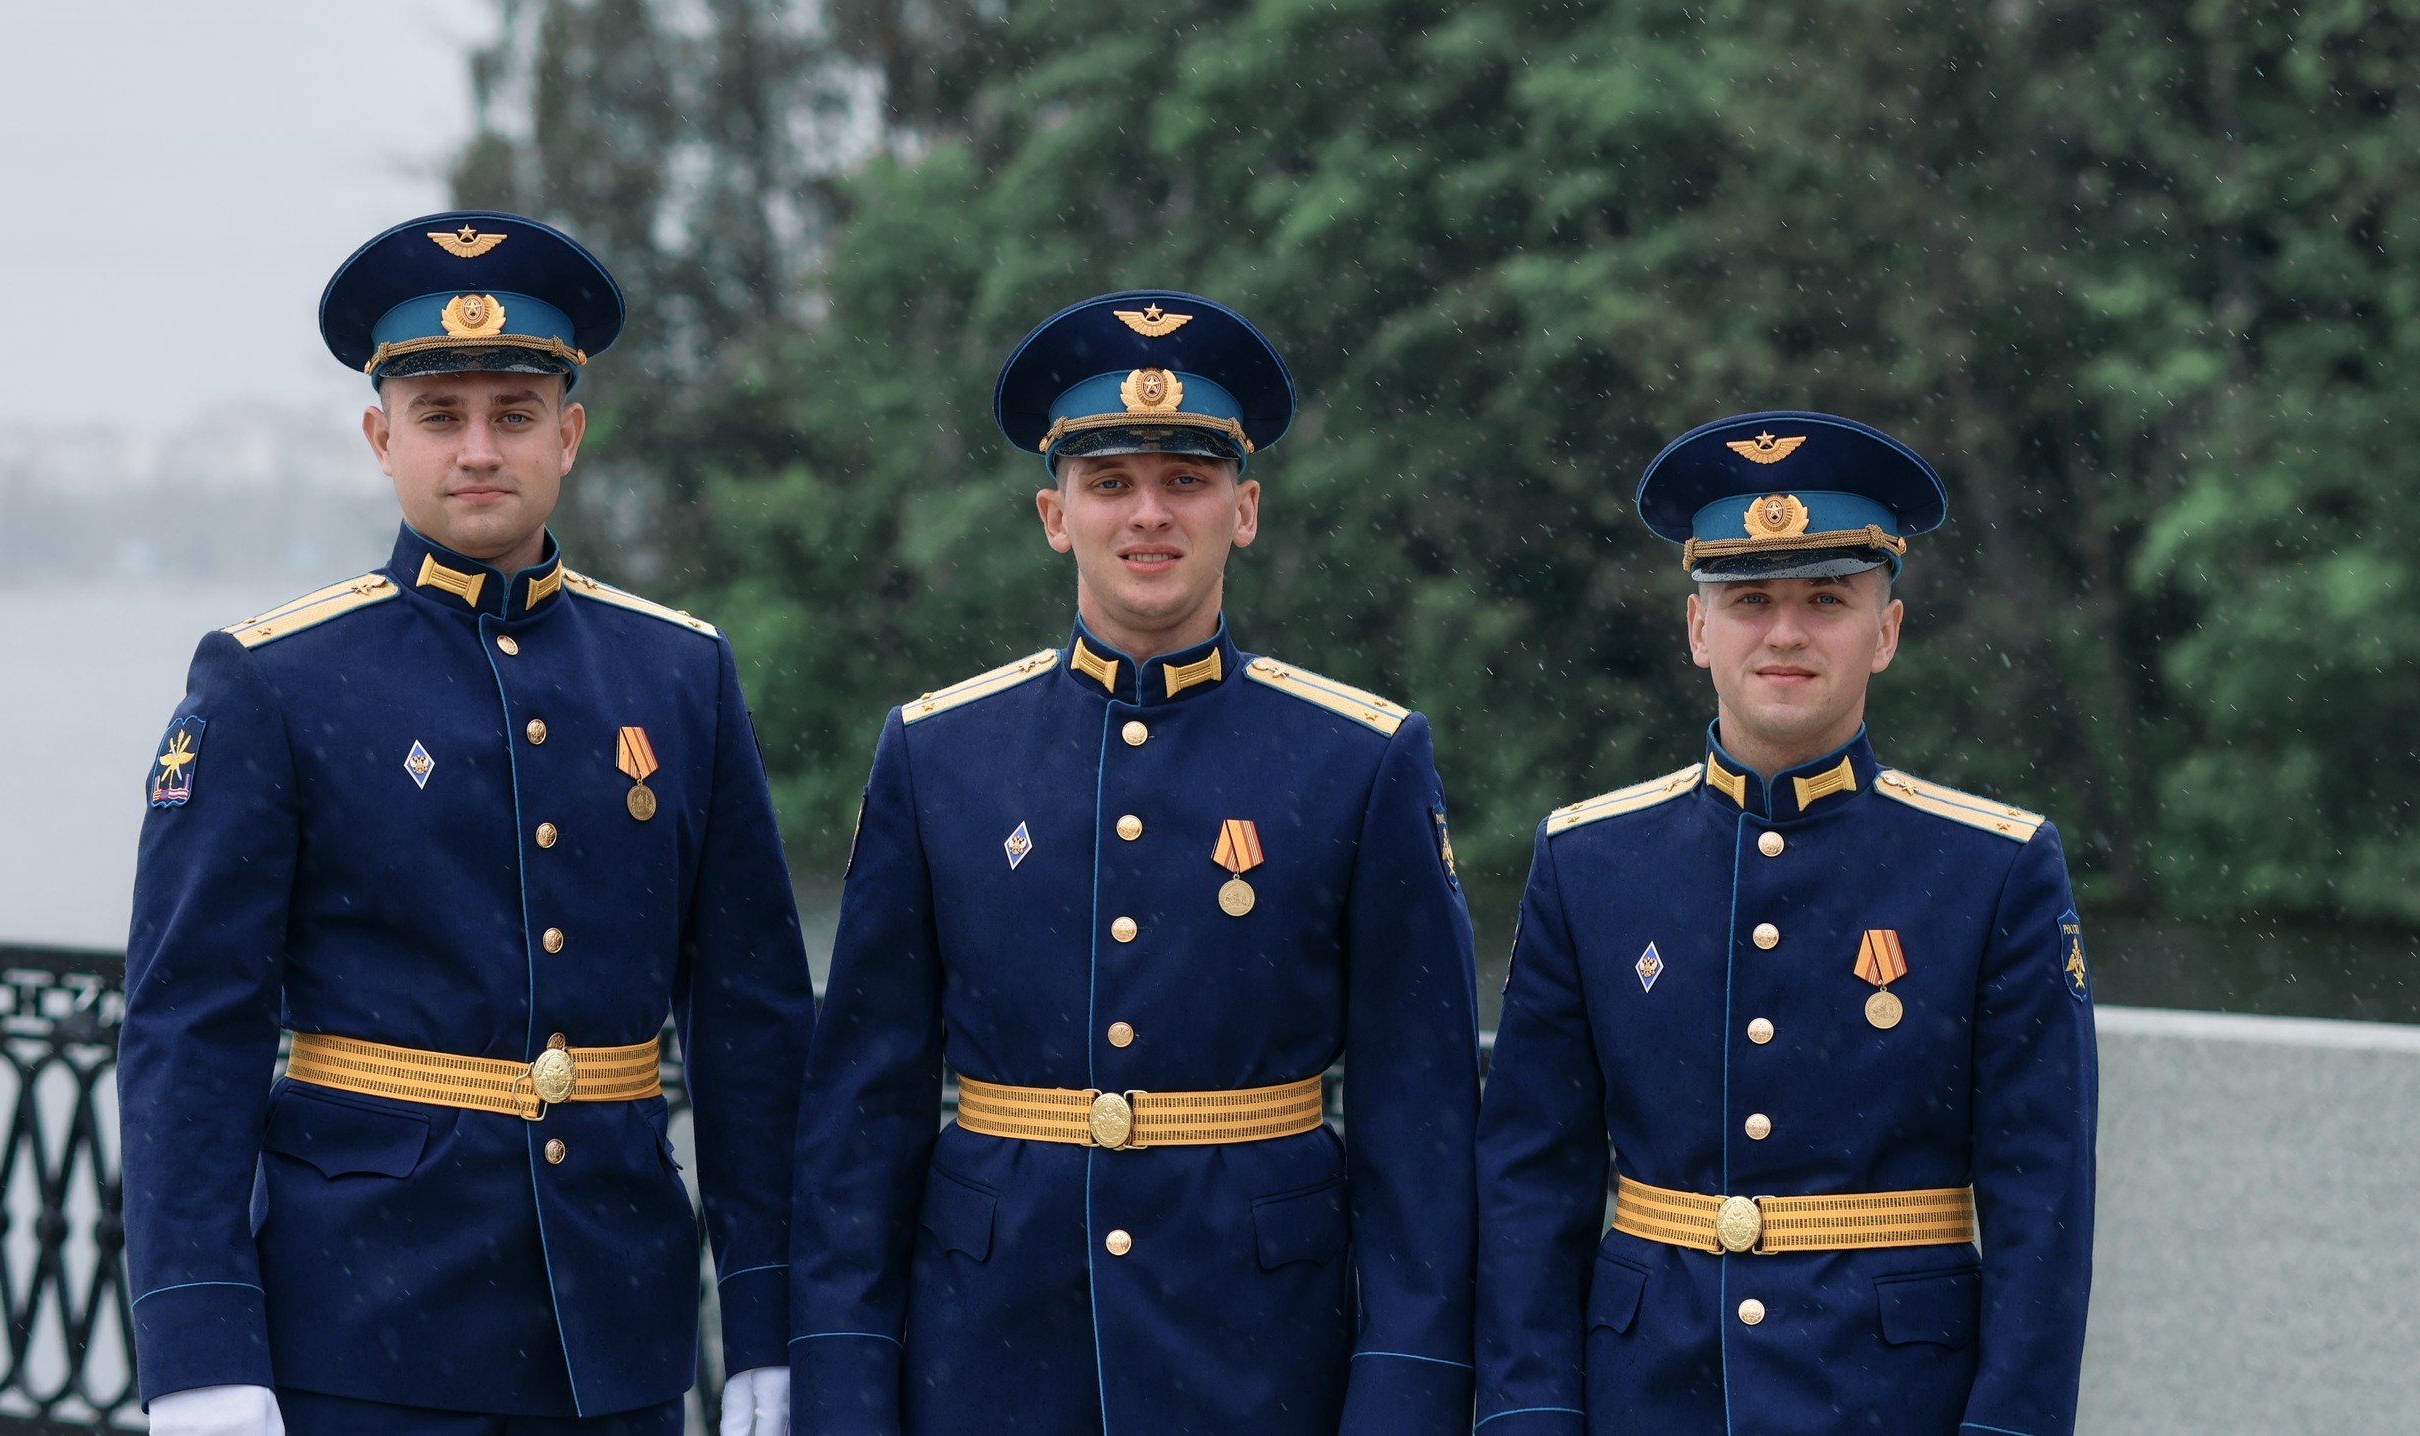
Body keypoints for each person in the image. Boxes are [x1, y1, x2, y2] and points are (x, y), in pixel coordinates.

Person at [118, 212, 812, 1436]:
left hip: (617, 1331)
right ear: (382, 437)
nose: (479, 448)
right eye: (440, 415)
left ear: (569, 435)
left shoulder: (677, 673)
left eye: (515, 413)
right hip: (361, 1327)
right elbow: (190, 1028)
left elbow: (751, 1025)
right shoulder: (274, 680)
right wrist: (197, 1346)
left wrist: (767, 1315)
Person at [788, 291, 1482, 1435]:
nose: (1148, 513)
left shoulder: (1359, 758)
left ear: (1244, 509)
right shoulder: (939, 753)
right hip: (990, 1353)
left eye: (1186, 480)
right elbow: (864, 1107)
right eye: (1109, 481)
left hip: (1263, 1356)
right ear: (1053, 512)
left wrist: (1405, 1390)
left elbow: (1421, 1119)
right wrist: (844, 1381)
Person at [1474, 411, 2099, 1435]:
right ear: (1696, 628)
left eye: (1827, 599)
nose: (1784, 633)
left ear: (1886, 631)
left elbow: (2044, 1205)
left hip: (1894, 1403)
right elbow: (1531, 1183)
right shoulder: (1588, 861)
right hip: (1646, 1397)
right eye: (1750, 600)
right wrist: (1529, 1416)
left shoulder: (1993, 868)